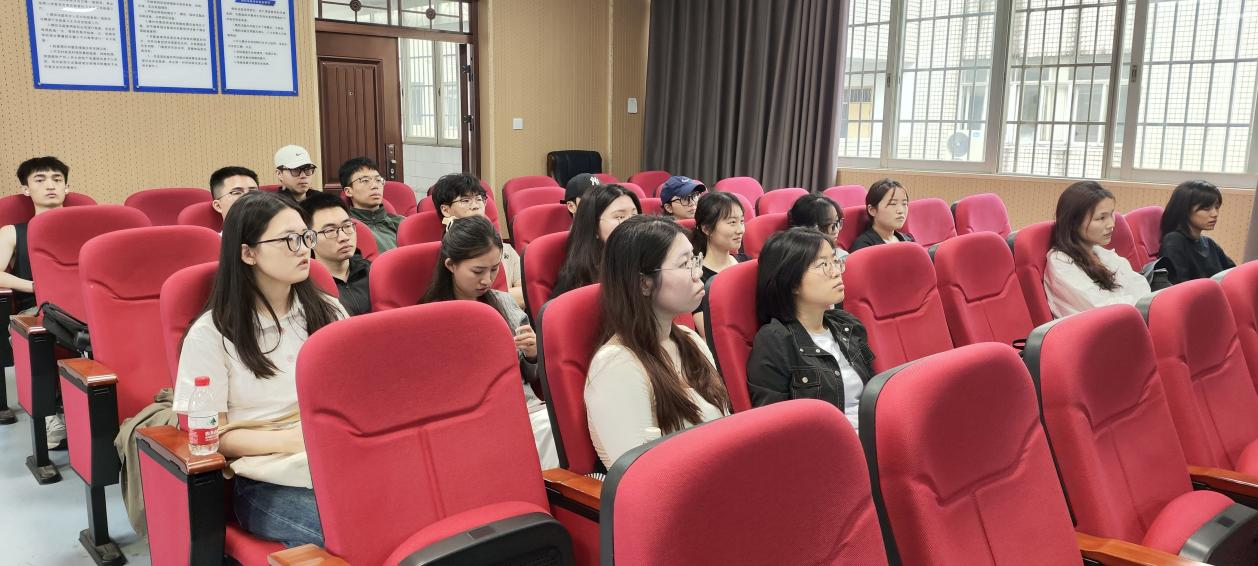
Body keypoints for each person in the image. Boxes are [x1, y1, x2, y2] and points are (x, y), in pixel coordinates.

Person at [174, 191, 346, 548]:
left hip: (337, 458)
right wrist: (295, 441)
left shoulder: (328, 310)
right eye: (288, 240)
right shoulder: (211, 333)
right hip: (266, 481)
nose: (303, 249)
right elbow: (211, 436)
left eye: (305, 236)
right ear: (247, 253)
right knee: (353, 532)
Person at [585, 215, 731, 468]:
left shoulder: (690, 339)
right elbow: (640, 475)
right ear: (644, 283)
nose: (698, 273)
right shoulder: (616, 366)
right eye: (684, 264)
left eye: (695, 259)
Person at [420, 215, 557, 468]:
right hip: (470, 416)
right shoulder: (430, 317)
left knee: (562, 423)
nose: (487, 280)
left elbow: (532, 377)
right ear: (450, 265)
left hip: (523, 407)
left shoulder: (504, 303)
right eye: (477, 271)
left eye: (494, 269)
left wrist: (533, 354)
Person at [745, 228, 874, 432]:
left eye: (835, 261)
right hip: (832, 445)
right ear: (792, 282)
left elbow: (874, 392)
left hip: (874, 432)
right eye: (823, 265)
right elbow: (774, 429)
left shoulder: (847, 325)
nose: (836, 272)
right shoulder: (775, 341)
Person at [1, 157, 71, 448]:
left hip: (86, 307)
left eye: (57, 179)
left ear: (67, 187)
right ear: (26, 189)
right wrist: (36, 286)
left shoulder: (87, 226)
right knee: (43, 336)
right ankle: (53, 413)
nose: (50, 185)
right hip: (38, 306)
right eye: (40, 180)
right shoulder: (13, 231)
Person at [1044, 181, 1151, 317]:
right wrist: (1136, 302)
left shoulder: (1099, 253)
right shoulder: (1061, 262)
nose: (1111, 224)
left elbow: (1140, 287)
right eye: (1101, 218)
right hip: (1097, 327)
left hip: (1125, 321)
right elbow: (1101, 308)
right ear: (1074, 223)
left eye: (1111, 214)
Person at [430, 173, 523, 306]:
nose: (475, 206)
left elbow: (525, 292)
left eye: (479, 199)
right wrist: (502, 298)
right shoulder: (445, 253)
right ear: (445, 210)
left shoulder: (504, 248)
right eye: (465, 200)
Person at [549, 184, 641, 299]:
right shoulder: (578, 280)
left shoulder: (642, 259)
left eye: (635, 215)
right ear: (594, 227)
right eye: (619, 217)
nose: (633, 223)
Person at [299, 191, 371, 316]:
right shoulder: (305, 287)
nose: (343, 237)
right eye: (330, 230)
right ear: (309, 239)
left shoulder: (373, 271)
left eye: (347, 226)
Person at [689, 191, 748, 338]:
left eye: (742, 221)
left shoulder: (747, 262)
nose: (740, 230)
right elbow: (710, 333)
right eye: (732, 222)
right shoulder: (697, 276)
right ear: (706, 229)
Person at [1159, 180, 1235, 283]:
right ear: (1184, 209)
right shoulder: (1174, 241)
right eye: (1206, 208)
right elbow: (1179, 286)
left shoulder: (1209, 243)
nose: (1215, 214)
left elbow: (1233, 272)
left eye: (1216, 207)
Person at [340, 157, 403, 252]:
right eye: (365, 181)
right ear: (348, 191)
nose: (375, 186)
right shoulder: (346, 231)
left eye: (378, 180)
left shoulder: (402, 223)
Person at [850, 178, 913, 251]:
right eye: (892, 204)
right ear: (872, 210)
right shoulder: (863, 246)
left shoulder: (908, 240)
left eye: (904, 204)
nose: (901, 211)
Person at [788, 193, 849, 259]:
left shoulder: (842, 257)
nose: (836, 231)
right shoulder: (794, 259)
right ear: (808, 228)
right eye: (827, 225)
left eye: (837, 222)